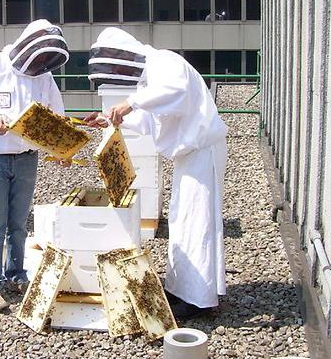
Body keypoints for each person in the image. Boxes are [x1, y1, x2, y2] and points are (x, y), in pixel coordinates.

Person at [85, 28, 228, 320]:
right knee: (183, 221)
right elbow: (151, 120)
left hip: (201, 151)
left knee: (197, 223)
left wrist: (130, 103)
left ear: (125, 54)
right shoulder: (151, 78)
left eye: (115, 64)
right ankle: (184, 290)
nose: (116, 71)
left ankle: (199, 301)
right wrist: (109, 119)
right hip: (191, 155)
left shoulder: (163, 61)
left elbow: (174, 90)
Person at [0, 19, 69, 312]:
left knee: (19, 224)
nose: (43, 63)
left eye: (47, 59)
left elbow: (56, 116)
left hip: (26, 158)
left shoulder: (44, 77)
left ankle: (16, 275)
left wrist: (62, 148)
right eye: (41, 57)